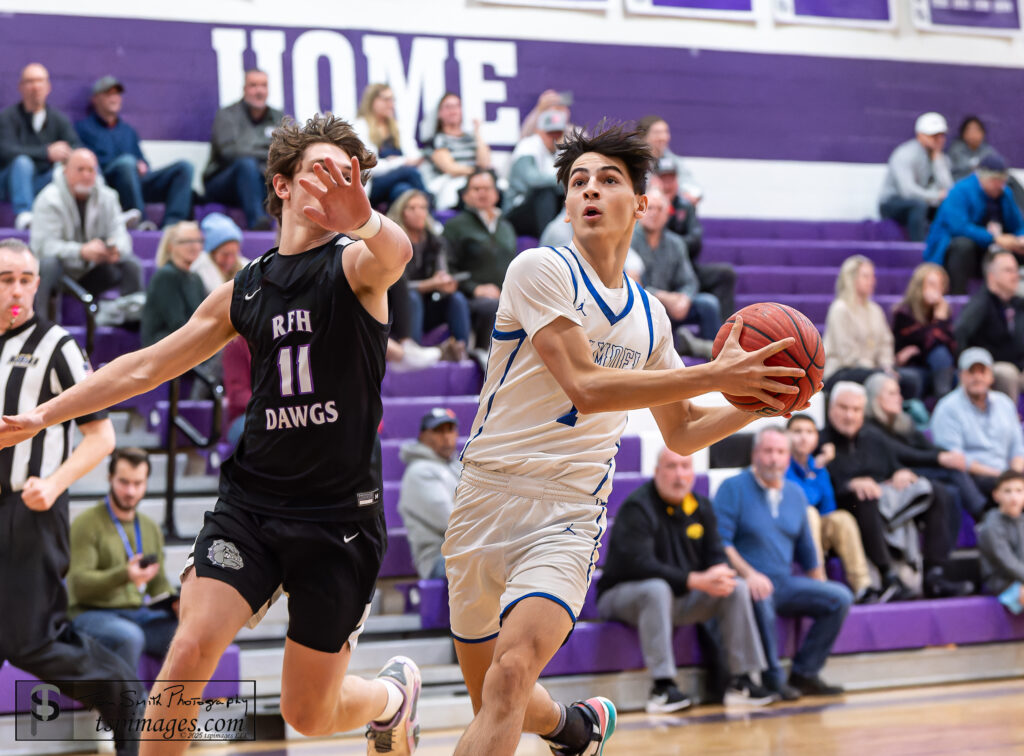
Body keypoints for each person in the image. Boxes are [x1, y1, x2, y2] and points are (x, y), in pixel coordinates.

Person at [0, 113, 423, 755]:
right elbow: (143, 366)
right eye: (321, 169)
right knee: (192, 643)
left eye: (351, 174)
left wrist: (365, 218)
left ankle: (393, 697)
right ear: (282, 184)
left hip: (338, 516)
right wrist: (45, 414)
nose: (338, 182)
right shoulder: (243, 290)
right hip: (251, 506)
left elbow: (397, 252)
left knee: (308, 713)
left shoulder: (359, 265)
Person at [442, 122, 809, 756]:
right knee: (496, 700)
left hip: (566, 511)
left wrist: (759, 404)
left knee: (508, 678)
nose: (589, 191)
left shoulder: (650, 316)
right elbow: (586, 384)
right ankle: (575, 729)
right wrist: (719, 374)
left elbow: (685, 432)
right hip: (483, 500)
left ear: (640, 202)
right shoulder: (538, 269)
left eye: (608, 180)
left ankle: (566, 728)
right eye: (578, 182)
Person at [0, 238, 141, 756]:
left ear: (39, 283)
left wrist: (53, 484)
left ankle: (125, 698)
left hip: (30, 510)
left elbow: (101, 437)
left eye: (26, 279)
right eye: (5, 279)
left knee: (31, 640)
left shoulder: (57, 345)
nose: (17, 289)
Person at [596, 448, 775, 712]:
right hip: (621, 597)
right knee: (656, 589)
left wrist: (719, 575)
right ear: (657, 472)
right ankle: (663, 686)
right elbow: (638, 565)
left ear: (693, 473)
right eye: (671, 467)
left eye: (685, 466)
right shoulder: (638, 507)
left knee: (735, 588)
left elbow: (716, 555)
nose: (679, 475)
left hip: (676, 598)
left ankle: (743, 680)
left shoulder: (701, 506)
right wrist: (694, 580)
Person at [714, 427, 852, 699]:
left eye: (780, 452)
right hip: (745, 583)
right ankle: (773, 679)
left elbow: (808, 554)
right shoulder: (733, 488)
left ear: (788, 458)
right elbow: (722, 542)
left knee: (839, 598)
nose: (773, 459)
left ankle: (805, 673)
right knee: (760, 593)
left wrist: (819, 589)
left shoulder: (795, 494)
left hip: (784, 583)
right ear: (755, 455)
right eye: (767, 451)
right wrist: (749, 574)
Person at [822, 381, 971, 600]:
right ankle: (888, 576)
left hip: (885, 502)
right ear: (830, 409)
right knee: (864, 495)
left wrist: (902, 472)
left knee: (938, 491)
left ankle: (934, 574)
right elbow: (814, 481)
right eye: (843, 408)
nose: (849, 416)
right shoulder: (819, 440)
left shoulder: (872, 437)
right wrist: (849, 484)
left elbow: (902, 457)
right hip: (846, 505)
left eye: (855, 410)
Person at [68, 448, 178, 673]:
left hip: (138, 615)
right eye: (124, 482)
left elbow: (158, 584)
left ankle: (175, 705)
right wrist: (125, 574)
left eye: (138, 483)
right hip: (90, 614)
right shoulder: (86, 523)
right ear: (110, 479)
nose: (131, 491)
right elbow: (79, 585)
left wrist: (176, 602)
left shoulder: (149, 527)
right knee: (129, 637)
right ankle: (128, 708)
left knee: (187, 631)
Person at [864, 372, 987, 528]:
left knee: (951, 488)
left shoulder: (902, 422)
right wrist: (939, 459)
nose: (900, 398)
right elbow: (901, 453)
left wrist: (946, 455)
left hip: (916, 469)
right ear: (876, 398)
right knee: (952, 473)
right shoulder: (870, 428)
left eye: (899, 392)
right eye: (892, 393)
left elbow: (928, 447)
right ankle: (983, 516)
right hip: (897, 473)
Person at [30, 148, 143, 315]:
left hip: (93, 270)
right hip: (61, 272)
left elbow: (121, 235)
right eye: (80, 169)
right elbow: (43, 247)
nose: (86, 175)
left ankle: (129, 321)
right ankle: (42, 325)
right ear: (65, 171)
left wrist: (115, 249)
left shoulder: (108, 196)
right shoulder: (48, 199)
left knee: (130, 264)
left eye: (91, 170)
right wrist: (81, 251)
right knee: (48, 264)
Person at [75, 75, 194, 229]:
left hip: (135, 182)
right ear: (95, 99)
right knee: (126, 163)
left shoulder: (128, 130)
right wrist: (128, 163)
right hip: (109, 184)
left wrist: (143, 165)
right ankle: (141, 222)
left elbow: (141, 160)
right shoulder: (83, 128)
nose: (114, 98)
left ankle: (172, 226)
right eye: (108, 94)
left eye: (117, 94)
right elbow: (87, 165)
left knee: (184, 167)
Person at [785, 414, 876, 604]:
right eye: (797, 432)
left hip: (813, 532)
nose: (803, 437)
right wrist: (816, 470)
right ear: (786, 436)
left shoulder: (818, 468)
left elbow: (828, 508)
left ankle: (863, 586)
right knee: (809, 514)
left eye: (809, 432)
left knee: (841, 518)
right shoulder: (781, 463)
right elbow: (800, 501)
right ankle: (819, 583)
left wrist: (817, 470)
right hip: (786, 532)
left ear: (816, 439)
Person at [631, 184, 720, 357]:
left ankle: (716, 357)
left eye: (660, 208)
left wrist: (685, 298)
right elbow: (631, 285)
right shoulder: (628, 240)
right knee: (653, 308)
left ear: (667, 215)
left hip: (673, 303)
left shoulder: (676, 243)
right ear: (640, 211)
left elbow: (689, 280)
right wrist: (664, 297)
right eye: (650, 208)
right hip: (643, 304)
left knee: (708, 304)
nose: (655, 213)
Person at [931, 347, 1024, 503]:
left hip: (1007, 475)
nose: (977, 377)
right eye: (971, 372)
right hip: (974, 475)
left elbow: (1018, 448)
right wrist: (1001, 477)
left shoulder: (1005, 403)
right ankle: (986, 518)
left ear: (991, 376)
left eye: (982, 372)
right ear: (961, 376)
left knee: (1014, 489)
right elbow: (955, 459)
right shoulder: (947, 407)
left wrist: (1014, 475)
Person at [823, 255, 921, 399]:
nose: (872, 281)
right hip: (843, 370)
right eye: (866, 276)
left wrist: (886, 366)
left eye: (873, 276)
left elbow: (885, 344)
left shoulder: (875, 310)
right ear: (851, 278)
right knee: (880, 377)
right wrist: (878, 370)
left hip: (874, 370)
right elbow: (846, 354)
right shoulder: (840, 309)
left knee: (911, 380)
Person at [922, 154, 1024, 294]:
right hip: (955, 250)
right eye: (995, 180)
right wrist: (994, 238)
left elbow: (1018, 224)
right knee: (963, 246)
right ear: (982, 177)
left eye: (1002, 181)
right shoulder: (960, 190)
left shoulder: (1005, 193)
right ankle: (958, 295)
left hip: (989, 247)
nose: (999, 186)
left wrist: (1019, 239)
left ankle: (1014, 298)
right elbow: (958, 227)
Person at [388, 188, 470, 360]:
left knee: (457, 299)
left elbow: (441, 274)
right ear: (401, 211)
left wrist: (445, 284)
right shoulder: (393, 240)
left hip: (427, 306)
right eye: (412, 208)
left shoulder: (435, 241)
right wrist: (430, 284)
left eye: (423, 207)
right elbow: (395, 284)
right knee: (412, 296)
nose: (419, 213)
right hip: (395, 308)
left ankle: (462, 350)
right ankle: (412, 350)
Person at [0, 63, 80, 230]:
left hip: (43, 182)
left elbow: (75, 146)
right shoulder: (7, 117)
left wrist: (67, 154)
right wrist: (46, 152)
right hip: (11, 183)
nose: (35, 86)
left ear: (48, 87)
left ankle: (99, 212)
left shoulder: (59, 119)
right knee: (22, 162)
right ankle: (24, 215)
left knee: (77, 163)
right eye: (30, 81)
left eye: (40, 81)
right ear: (20, 87)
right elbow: (5, 150)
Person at [442, 168, 515, 349]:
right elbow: (447, 269)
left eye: (487, 188)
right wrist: (475, 289)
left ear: (496, 194)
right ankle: (485, 357)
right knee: (491, 306)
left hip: (505, 296)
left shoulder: (507, 227)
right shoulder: (455, 227)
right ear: (465, 196)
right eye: (476, 189)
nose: (482, 193)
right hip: (470, 298)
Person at [203, 68, 283, 230]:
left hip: (262, 179)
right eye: (253, 85)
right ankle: (257, 221)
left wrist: (264, 154)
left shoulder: (278, 117)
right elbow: (230, 152)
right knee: (246, 164)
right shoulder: (227, 115)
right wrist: (266, 151)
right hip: (223, 182)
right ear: (244, 89)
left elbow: (286, 152)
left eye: (263, 86)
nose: (259, 91)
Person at [655, 159, 735, 318]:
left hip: (686, 269)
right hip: (658, 273)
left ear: (677, 181)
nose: (667, 184)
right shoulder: (649, 204)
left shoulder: (685, 207)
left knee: (726, 274)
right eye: (663, 179)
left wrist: (673, 244)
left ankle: (725, 332)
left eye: (671, 179)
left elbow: (696, 241)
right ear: (655, 180)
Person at [953, 250, 1024, 404]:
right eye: (1008, 270)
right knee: (1007, 373)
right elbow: (960, 332)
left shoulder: (1019, 304)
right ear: (992, 276)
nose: (1015, 275)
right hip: (990, 367)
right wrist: (970, 366)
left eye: (1016, 270)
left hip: (1019, 366)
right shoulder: (980, 304)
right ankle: (1008, 423)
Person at [398, 407, 461, 580]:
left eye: (450, 430)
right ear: (422, 436)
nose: (446, 437)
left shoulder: (458, 466)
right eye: (438, 431)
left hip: (466, 550)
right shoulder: (418, 472)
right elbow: (452, 522)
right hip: (438, 558)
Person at [878, 112, 953, 242]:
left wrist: (938, 162)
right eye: (934, 136)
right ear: (920, 136)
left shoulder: (942, 158)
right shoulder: (905, 154)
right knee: (918, 205)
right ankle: (918, 250)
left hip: (923, 203)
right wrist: (937, 195)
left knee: (949, 207)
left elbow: (949, 190)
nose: (939, 140)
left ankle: (945, 248)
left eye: (942, 135)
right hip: (892, 203)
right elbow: (908, 192)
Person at [354, 83, 428, 207]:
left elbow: (414, 157)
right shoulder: (360, 127)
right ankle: (430, 212)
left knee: (402, 190)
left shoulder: (397, 127)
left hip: (398, 182)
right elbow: (368, 167)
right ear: (372, 101)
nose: (390, 104)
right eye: (386, 99)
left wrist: (394, 162)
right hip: (374, 183)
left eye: (392, 99)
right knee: (410, 172)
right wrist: (399, 162)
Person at [891, 263, 957, 399]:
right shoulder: (903, 313)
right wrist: (939, 320)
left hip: (938, 368)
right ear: (919, 286)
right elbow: (926, 340)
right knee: (939, 353)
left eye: (941, 285)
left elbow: (952, 345)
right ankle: (943, 402)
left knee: (952, 368)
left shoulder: (942, 312)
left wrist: (939, 319)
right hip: (913, 366)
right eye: (932, 284)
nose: (937, 290)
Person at [141, 221, 207, 347]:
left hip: (188, 347)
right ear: (171, 246)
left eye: (198, 241)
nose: (195, 246)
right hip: (165, 352)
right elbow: (178, 325)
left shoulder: (196, 278)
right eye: (186, 241)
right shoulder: (166, 276)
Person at [504, 109, 566, 238]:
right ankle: (547, 245)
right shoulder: (529, 145)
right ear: (539, 131)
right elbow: (532, 179)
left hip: (544, 209)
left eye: (558, 133)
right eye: (550, 133)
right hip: (517, 209)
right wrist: (565, 179)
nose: (554, 138)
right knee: (545, 192)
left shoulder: (558, 152)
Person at [424, 92, 492, 210]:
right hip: (452, 183)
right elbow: (451, 168)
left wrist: (477, 132)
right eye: (448, 107)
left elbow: (485, 163)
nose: (453, 110)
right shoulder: (437, 140)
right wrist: (476, 172)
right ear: (440, 113)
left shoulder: (472, 137)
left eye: (456, 106)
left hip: (475, 179)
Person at [976, 470, 1024, 610]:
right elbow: (1008, 563)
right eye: (1007, 491)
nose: (1013, 496)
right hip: (1000, 584)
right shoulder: (991, 525)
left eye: (1019, 490)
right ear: (996, 495)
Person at [637, 115, 703, 205]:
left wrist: (687, 194)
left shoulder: (673, 161)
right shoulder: (635, 161)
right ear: (643, 137)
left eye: (665, 132)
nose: (663, 137)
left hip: (670, 212)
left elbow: (694, 188)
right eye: (657, 133)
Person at [192, 212, 247, 294]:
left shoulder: (245, 266)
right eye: (225, 254)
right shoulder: (200, 267)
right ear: (212, 253)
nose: (229, 260)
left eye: (234, 253)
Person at [949, 115, 1004, 182]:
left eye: (976, 130)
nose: (973, 134)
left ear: (983, 134)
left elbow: (999, 167)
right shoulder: (956, 150)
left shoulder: (988, 151)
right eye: (969, 130)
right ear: (963, 134)